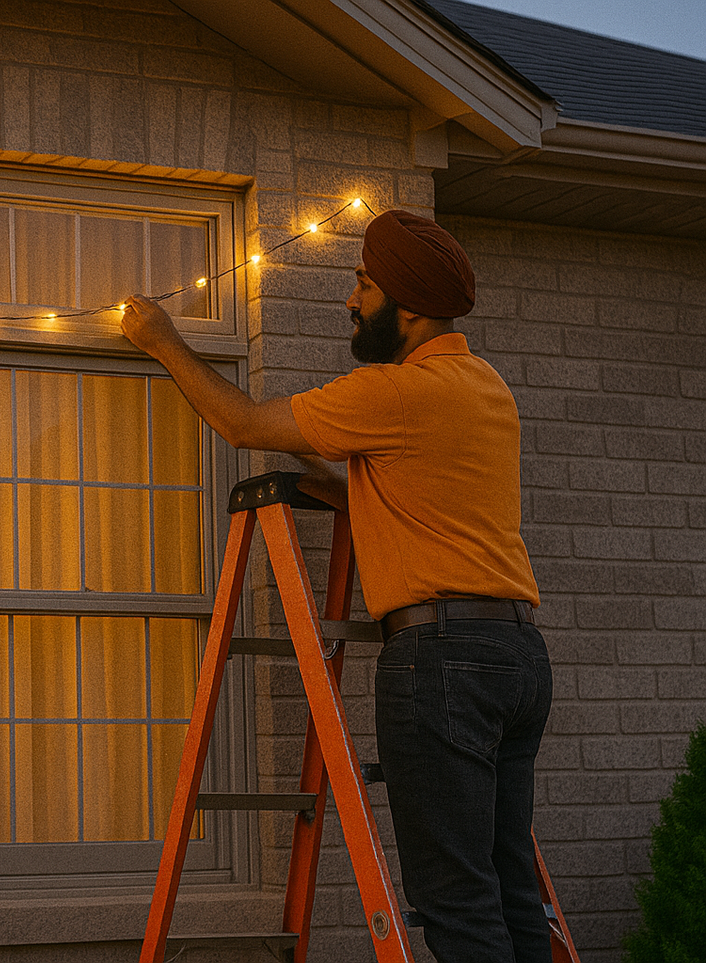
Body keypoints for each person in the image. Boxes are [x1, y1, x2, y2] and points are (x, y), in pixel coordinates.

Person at [119, 210, 551, 963]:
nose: (349, 301)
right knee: (510, 890)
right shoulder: (485, 389)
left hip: (439, 656)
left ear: (407, 308)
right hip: (515, 653)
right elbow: (413, 496)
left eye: (361, 284)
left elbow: (245, 422)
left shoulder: (392, 394)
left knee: (454, 902)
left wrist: (160, 339)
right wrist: (330, 480)